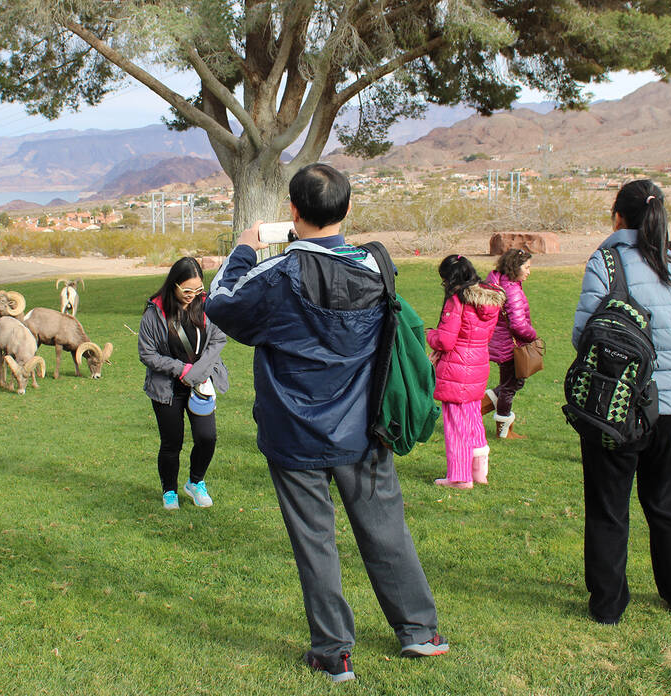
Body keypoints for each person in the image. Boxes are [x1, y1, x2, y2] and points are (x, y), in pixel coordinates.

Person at [206, 163, 447, 683]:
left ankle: (333, 651)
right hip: (364, 429)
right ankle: (419, 631)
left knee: (314, 539)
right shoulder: (375, 269)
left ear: (293, 212)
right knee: (386, 530)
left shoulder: (276, 276)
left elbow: (222, 304)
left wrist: (245, 248)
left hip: (295, 434)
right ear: (347, 209)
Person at [572, 179, 671, 624]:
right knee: (670, 505)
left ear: (618, 217)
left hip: (620, 406)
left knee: (609, 508)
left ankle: (608, 605)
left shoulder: (608, 264)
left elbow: (583, 336)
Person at [138, 256, 229, 510]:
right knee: (172, 442)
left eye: (198, 289)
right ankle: (169, 490)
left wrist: (198, 372)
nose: (193, 295)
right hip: (166, 388)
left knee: (207, 437)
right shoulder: (154, 313)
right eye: (187, 290)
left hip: (201, 384)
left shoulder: (207, 306)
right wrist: (181, 370)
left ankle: (195, 482)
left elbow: (218, 340)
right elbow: (147, 354)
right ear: (173, 285)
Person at [427, 254, 505, 488]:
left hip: (457, 368)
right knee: (473, 418)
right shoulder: (489, 300)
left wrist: (431, 334)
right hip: (478, 365)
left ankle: (460, 476)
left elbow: (446, 341)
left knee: (456, 422)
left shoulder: (457, 299)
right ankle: (478, 472)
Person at [484, 248, 538, 439]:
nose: (529, 272)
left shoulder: (499, 281)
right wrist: (534, 337)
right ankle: (503, 430)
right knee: (510, 385)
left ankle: (481, 406)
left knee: (513, 382)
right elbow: (517, 324)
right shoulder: (512, 288)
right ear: (516, 267)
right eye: (527, 267)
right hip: (510, 345)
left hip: (500, 343)